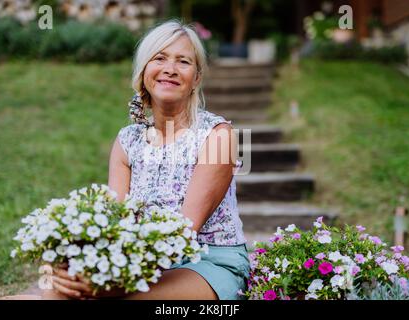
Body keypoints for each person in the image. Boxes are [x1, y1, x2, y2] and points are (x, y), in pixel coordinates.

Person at [19, 20, 249, 300]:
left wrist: (112, 282)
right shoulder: (128, 140)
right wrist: (69, 264)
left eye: (183, 62)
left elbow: (185, 232)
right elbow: (114, 223)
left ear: (196, 78)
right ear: (143, 73)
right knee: (59, 289)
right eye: (160, 58)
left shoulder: (218, 136)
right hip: (143, 262)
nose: (170, 70)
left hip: (205, 263)